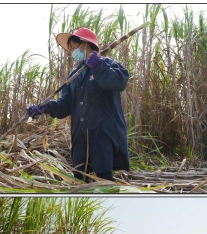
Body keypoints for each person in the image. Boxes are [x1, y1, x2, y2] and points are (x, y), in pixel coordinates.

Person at [28, 27, 130, 182]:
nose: (72, 52)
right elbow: (66, 105)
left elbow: (119, 82)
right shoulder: (74, 76)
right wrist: (46, 107)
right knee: (79, 178)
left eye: (74, 47)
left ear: (84, 45)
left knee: (104, 179)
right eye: (70, 49)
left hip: (103, 135)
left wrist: (98, 66)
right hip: (80, 138)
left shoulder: (108, 64)